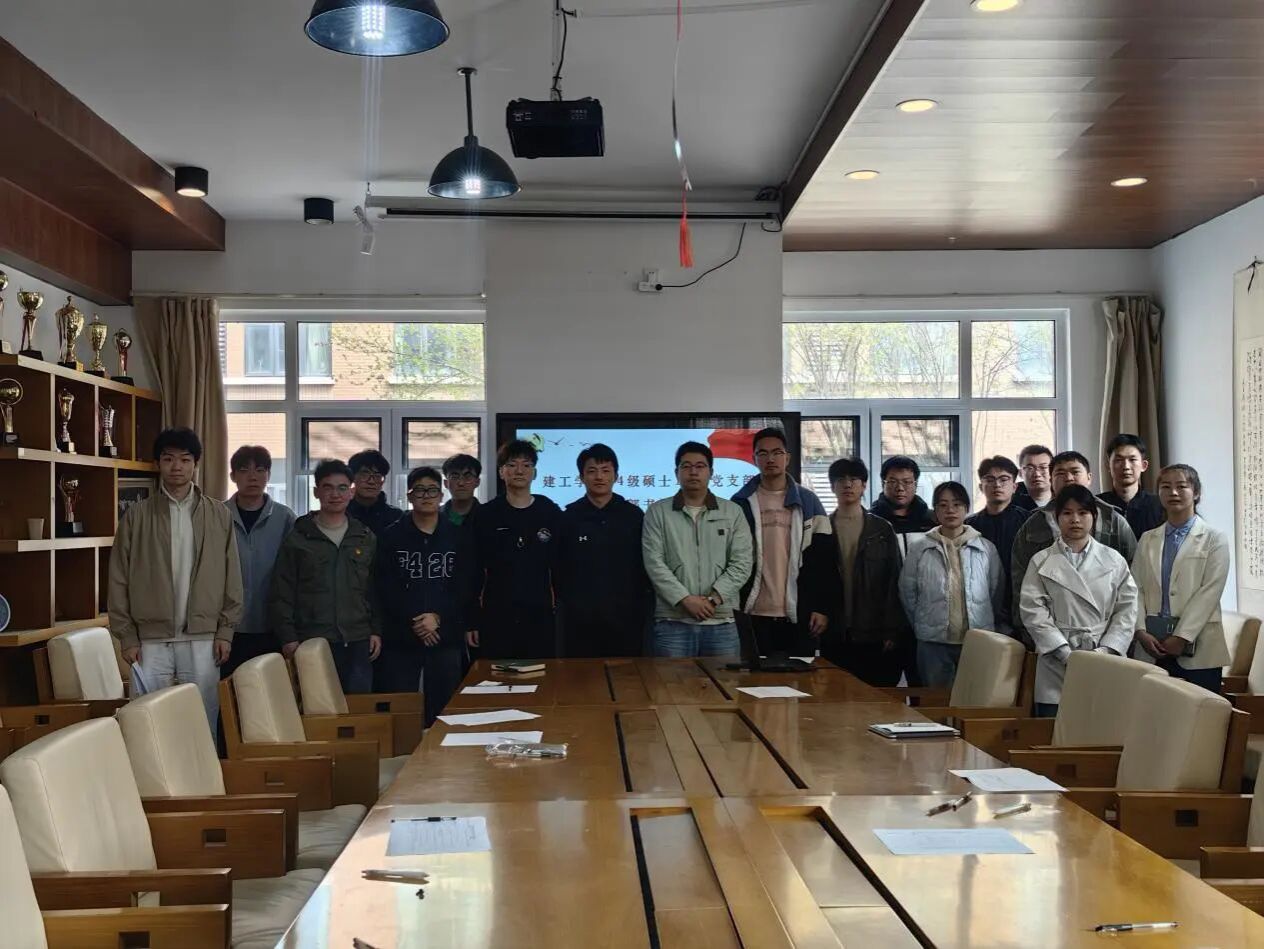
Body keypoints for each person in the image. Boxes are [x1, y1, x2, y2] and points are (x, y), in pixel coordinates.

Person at [108, 427, 242, 731]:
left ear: (195, 464)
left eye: (185, 459)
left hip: (203, 638)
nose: (176, 467)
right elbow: (118, 579)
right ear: (158, 464)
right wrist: (126, 636)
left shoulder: (218, 515)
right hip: (149, 640)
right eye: (168, 459)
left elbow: (232, 576)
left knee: (202, 720)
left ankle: (202, 765)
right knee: (147, 723)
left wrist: (225, 631)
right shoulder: (136, 516)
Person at [1020, 484, 1139, 715]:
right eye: (1067, 513)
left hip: (1104, 657)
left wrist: (1106, 650)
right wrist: (1063, 652)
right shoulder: (1040, 560)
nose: (1075, 519)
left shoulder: (1114, 559)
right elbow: (1033, 611)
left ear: (1094, 517)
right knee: (1055, 725)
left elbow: (1127, 610)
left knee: (1101, 725)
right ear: (1056, 518)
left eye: (1083, 512)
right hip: (1057, 658)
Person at [270, 460, 380, 693]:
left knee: (358, 709)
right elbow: (282, 591)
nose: (335, 494)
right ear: (316, 492)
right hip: (312, 640)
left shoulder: (364, 537)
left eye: (342, 488)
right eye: (327, 487)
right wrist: (288, 638)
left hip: (358, 640)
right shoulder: (298, 538)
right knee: (318, 708)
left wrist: (376, 630)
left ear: (351, 493)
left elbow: (374, 590)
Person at [375, 466, 472, 723]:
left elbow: (464, 586)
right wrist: (417, 620)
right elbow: (385, 586)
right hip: (402, 636)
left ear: (441, 495)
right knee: (401, 711)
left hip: (445, 635)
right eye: (419, 490)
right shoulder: (391, 536)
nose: (426, 496)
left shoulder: (458, 537)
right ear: (409, 496)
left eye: (432, 490)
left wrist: (437, 618)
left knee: (446, 712)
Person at [1010, 450, 1137, 645]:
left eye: (1075, 472)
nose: (1068, 478)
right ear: (1051, 480)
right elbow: (1021, 585)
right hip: (1052, 634)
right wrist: (1038, 637)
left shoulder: (1113, 520)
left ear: (1089, 477)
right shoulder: (1033, 525)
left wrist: (1115, 641)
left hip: (1105, 632)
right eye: (1060, 473)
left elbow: (1132, 579)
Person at [642, 441, 753, 658]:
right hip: (673, 622)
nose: (693, 472)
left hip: (722, 622)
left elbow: (742, 562)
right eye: (686, 466)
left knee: (724, 681)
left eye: (700, 466)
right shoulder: (658, 512)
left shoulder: (732, 512)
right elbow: (654, 563)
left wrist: (713, 599)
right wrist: (685, 599)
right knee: (670, 681)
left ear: (711, 472)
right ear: (676, 473)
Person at [1130, 464, 1230, 694]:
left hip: (1199, 650)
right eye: (1166, 487)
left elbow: (1210, 592)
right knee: (1152, 712)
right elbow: (1135, 588)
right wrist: (1140, 631)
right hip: (1151, 647)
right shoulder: (1147, 539)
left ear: (1196, 493)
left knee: (1200, 713)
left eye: (1181, 486)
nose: (1173, 492)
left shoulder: (1214, 539)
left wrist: (1181, 636)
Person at [732, 427, 832, 657]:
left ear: (787, 458)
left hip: (800, 612)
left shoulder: (808, 501)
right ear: (754, 459)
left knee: (800, 678)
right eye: (763, 453)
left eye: (777, 452)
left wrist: (822, 607)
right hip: (752, 612)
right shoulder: (739, 503)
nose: (770, 459)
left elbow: (823, 560)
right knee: (754, 678)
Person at [898, 481, 1003, 688]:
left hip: (977, 639)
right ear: (935, 510)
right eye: (943, 505)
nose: (950, 510)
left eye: (957, 504)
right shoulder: (920, 549)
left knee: (974, 697)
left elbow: (995, 592)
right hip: (933, 643)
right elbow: (908, 593)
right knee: (937, 699)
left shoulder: (986, 548)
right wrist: (924, 622)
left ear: (966, 508)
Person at [817, 457, 907, 686]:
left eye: (854, 479)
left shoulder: (881, 529)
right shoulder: (821, 528)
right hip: (834, 630)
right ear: (832, 487)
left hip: (872, 630)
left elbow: (894, 581)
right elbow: (813, 579)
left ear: (864, 485)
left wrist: (892, 629)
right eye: (841, 479)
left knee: (874, 696)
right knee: (835, 696)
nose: (848, 485)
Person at [555, 443, 651, 657]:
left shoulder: (633, 516)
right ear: (581, 477)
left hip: (626, 617)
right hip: (580, 620)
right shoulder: (569, 517)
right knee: (581, 675)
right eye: (592, 471)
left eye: (606, 470)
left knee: (627, 674)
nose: (599, 477)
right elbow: (560, 568)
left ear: (616, 476)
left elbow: (644, 564)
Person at [469, 440, 562, 659]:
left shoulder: (550, 512)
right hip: (496, 613)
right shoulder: (485, 515)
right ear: (501, 472)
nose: (519, 471)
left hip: (540, 613)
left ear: (534, 472)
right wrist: (472, 619)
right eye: (512, 465)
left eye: (526, 465)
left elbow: (562, 566)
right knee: (497, 675)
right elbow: (471, 569)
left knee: (540, 674)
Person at [221, 445, 296, 678]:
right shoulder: (218, 515)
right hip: (228, 628)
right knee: (229, 690)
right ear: (233, 476)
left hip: (273, 625)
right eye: (244, 470)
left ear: (269, 475)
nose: (252, 477)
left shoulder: (285, 517)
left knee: (271, 691)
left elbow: (295, 572)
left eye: (260, 470)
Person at [965, 456, 1027, 634]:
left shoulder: (1029, 521)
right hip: (980, 604)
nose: (997, 485)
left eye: (1004, 479)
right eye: (990, 480)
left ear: (1014, 486)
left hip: (1020, 603)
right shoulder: (969, 526)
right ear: (981, 487)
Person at [1098, 433, 1165, 539]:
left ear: (1144, 466)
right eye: (1119, 460)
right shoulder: (1097, 505)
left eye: (1132, 460)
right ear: (1108, 466)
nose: (1126, 466)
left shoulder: (1159, 505)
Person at [870, 455, 936, 555]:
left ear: (915, 485)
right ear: (883, 484)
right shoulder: (871, 521)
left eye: (907, 482)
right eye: (893, 482)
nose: (900, 488)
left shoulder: (932, 520)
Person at [346, 448, 405, 537]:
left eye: (377, 476)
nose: (371, 481)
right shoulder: (343, 513)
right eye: (365, 475)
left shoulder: (397, 517)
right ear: (352, 477)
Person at [441, 453, 482, 527]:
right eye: (454, 477)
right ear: (446, 483)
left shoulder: (490, 516)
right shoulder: (434, 517)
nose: (461, 483)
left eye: (468, 476)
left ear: (477, 482)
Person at [1013, 444, 1054, 513]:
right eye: (1030, 468)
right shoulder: (1009, 503)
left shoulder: (1064, 499)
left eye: (1043, 467)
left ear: (1053, 471)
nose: (1037, 474)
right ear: (1020, 473)